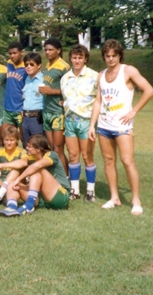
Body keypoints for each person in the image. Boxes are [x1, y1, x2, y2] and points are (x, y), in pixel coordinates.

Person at [89, 39, 153, 215]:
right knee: (109, 162)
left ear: (119, 55)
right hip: (103, 126)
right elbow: (98, 101)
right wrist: (91, 125)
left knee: (127, 161)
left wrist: (133, 111)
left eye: (114, 56)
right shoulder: (101, 74)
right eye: (107, 56)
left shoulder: (128, 71)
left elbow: (149, 90)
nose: (111, 59)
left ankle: (135, 200)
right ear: (103, 56)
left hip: (122, 127)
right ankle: (114, 197)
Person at [0, 134, 70, 217]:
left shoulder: (51, 155)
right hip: (41, 199)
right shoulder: (31, 158)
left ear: (38, 149)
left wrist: (19, 179)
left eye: (29, 146)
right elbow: (21, 163)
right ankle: (11, 208)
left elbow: (37, 166)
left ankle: (29, 206)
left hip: (60, 197)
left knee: (38, 170)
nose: (27, 148)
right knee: (12, 183)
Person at [61, 44, 99, 202]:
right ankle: (74, 189)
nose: (77, 61)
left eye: (80, 58)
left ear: (85, 59)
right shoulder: (65, 78)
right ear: (70, 58)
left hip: (86, 121)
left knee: (87, 155)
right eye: (74, 57)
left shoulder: (94, 76)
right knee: (73, 155)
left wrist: (93, 124)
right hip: (70, 121)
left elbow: (99, 100)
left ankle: (90, 191)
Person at [39, 37, 70, 175]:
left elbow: (71, 89)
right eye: (46, 49)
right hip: (47, 111)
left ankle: (65, 179)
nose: (47, 52)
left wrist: (52, 91)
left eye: (51, 50)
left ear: (59, 50)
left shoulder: (64, 67)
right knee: (51, 148)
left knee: (58, 148)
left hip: (58, 112)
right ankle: (56, 176)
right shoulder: (47, 66)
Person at [3, 42, 27, 142]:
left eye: (15, 53)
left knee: (24, 139)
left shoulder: (27, 67)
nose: (12, 56)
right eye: (10, 53)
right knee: (7, 138)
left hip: (20, 108)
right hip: (7, 108)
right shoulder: (9, 64)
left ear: (21, 52)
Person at [21, 52, 45, 148]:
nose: (28, 67)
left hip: (37, 118)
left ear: (39, 65)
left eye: (31, 64)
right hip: (25, 118)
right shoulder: (26, 79)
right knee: (27, 147)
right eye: (26, 65)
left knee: (38, 147)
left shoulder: (43, 79)